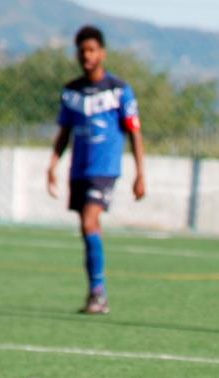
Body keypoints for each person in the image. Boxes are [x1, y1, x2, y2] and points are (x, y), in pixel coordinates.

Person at [47, 25, 145, 314]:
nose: (87, 56)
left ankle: (99, 295)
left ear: (102, 53)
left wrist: (141, 173)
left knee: (90, 221)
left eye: (92, 50)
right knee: (86, 226)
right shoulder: (72, 92)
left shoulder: (119, 91)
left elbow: (134, 132)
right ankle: (95, 292)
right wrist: (52, 165)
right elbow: (64, 132)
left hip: (105, 169)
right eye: (82, 51)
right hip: (79, 170)